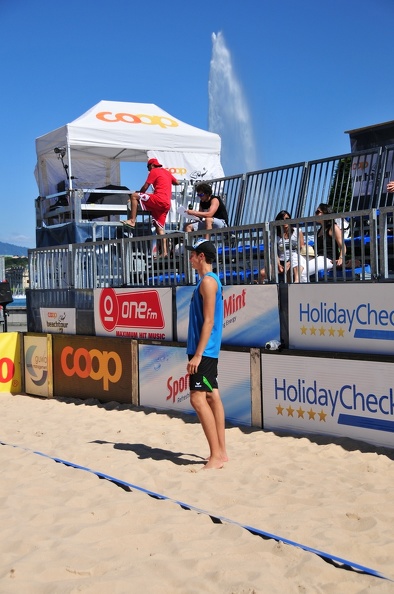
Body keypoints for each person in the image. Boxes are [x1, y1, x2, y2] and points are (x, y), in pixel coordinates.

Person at [186, 238, 228, 470]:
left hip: (205, 351)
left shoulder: (208, 283)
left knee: (197, 398)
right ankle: (221, 452)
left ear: (202, 256)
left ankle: (216, 456)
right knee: (212, 396)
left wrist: (198, 355)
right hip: (206, 350)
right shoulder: (207, 282)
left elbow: (209, 321)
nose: (190, 258)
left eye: (193, 254)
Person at [123, 158, 180, 255]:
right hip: (166, 204)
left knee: (134, 196)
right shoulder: (166, 173)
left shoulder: (154, 171)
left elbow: (145, 187)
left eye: (148, 168)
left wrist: (138, 194)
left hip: (159, 199)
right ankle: (165, 252)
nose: (149, 170)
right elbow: (177, 182)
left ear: (152, 165)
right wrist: (168, 181)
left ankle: (132, 221)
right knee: (159, 227)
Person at [300, 202, 346, 282]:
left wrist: (341, 258)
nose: (315, 214)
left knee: (302, 272)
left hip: (328, 259)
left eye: (318, 212)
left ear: (326, 214)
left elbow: (343, 246)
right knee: (297, 267)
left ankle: (305, 293)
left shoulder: (333, 228)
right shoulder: (320, 230)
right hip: (319, 257)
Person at [259, 210, 305, 283]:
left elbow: (302, 249)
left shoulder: (297, 231)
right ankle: (261, 292)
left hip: (294, 260)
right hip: (281, 261)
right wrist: (278, 264)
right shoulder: (275, 235)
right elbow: (275, 253)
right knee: (262, 273)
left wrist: (289, 263)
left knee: (289, 273)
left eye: (287, 219)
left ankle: (290, 292)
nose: (284, 221)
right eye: (282, 219)